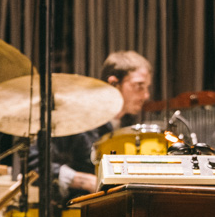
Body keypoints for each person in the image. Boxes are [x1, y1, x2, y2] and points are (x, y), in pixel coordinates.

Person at [30, 50, 152, 203]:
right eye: (139, 86)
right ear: (114, 83)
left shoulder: (129, 127)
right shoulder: (79, 120)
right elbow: (34, 162)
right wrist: (84, 181)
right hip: (76, 212)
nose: (146, 95)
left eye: (147, 87)